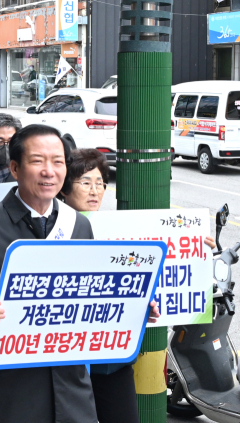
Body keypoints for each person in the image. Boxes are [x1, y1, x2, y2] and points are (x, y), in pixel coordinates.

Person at [0, 124, 98, 423]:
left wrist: (133, 307)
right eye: (37, 161)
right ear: (15, 168)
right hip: (9, 384)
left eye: (58, 161)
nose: (49, 171)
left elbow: (93, 291)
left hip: (70, 384)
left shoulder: (78, 226)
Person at [56, 148, 216, 423]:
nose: (95, 190)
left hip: (114, 359)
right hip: (67, 362)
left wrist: (195, 250)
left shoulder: (121, 229)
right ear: (63, 189)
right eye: (85, 182)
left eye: (100, 183)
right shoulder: (51, 231)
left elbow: (161, 269)